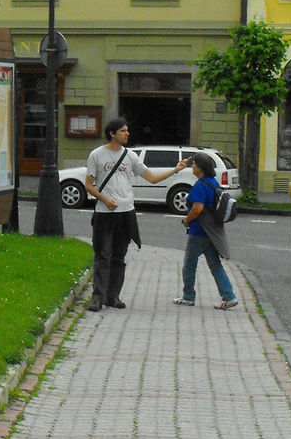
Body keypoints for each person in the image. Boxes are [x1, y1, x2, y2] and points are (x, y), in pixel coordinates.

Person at [85, 119, 188, 311]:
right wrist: (105, 199)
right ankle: (97, 297)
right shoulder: (97, 155)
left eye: (127, 130)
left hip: (126, 213)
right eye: (123, 131)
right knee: (102, 255)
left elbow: (152, 178)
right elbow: (88, 185)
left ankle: (113, 296)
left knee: (119, 256)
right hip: (104, 213)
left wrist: (175, 170)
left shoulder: (130, 156)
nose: (127, 133)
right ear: (112, 134)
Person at [174, 151, 238, 310]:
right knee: (215, 265)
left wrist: (186, 220)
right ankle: (229, 296)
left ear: (200, 168)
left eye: (194, 164)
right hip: (212, 232)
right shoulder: (212, 182)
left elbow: (197, 209)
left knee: (189, 264)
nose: (192, 166)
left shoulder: (201, 186)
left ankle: (188, 296)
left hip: (200, 231)